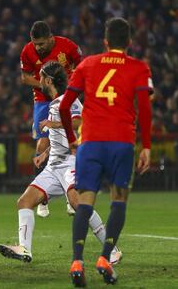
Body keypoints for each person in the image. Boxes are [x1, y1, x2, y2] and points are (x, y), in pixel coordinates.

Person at [0, 61, 122, 265]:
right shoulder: (55, 103)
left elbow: (79, 121)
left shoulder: (68, 100)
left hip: (71, 162)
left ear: (48, 80)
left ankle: (112, 249)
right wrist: (45, 153)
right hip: (54, 166)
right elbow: (62, 135)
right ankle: (24, 248)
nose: (39, 82)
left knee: (77, 203)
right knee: (24, 201)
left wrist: (53, 123)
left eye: (41, 78)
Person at [59, 18, 152, 287]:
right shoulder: (139, 68)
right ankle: (104, 258)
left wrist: (71, 138)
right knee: (118, 200)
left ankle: (77, 261)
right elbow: (144, 109)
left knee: (85, 203)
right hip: (122, 144)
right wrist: (146, 145)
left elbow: (65, 106)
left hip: (90, 144)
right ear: (130, 42)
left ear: (106, 41)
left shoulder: (87, 64)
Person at [20, 21, 82, 217]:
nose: (37, 48)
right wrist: (47, 83)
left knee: (69, 139)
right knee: (43, 144)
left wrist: (67, 85)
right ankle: (42, 199)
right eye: (35, 44)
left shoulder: (68, 46)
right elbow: (25, 77)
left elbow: (81, 67)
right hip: (42, 100)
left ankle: (70, 195)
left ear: (50, 38)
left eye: (41, 44)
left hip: (67, 96)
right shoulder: (27, 51)